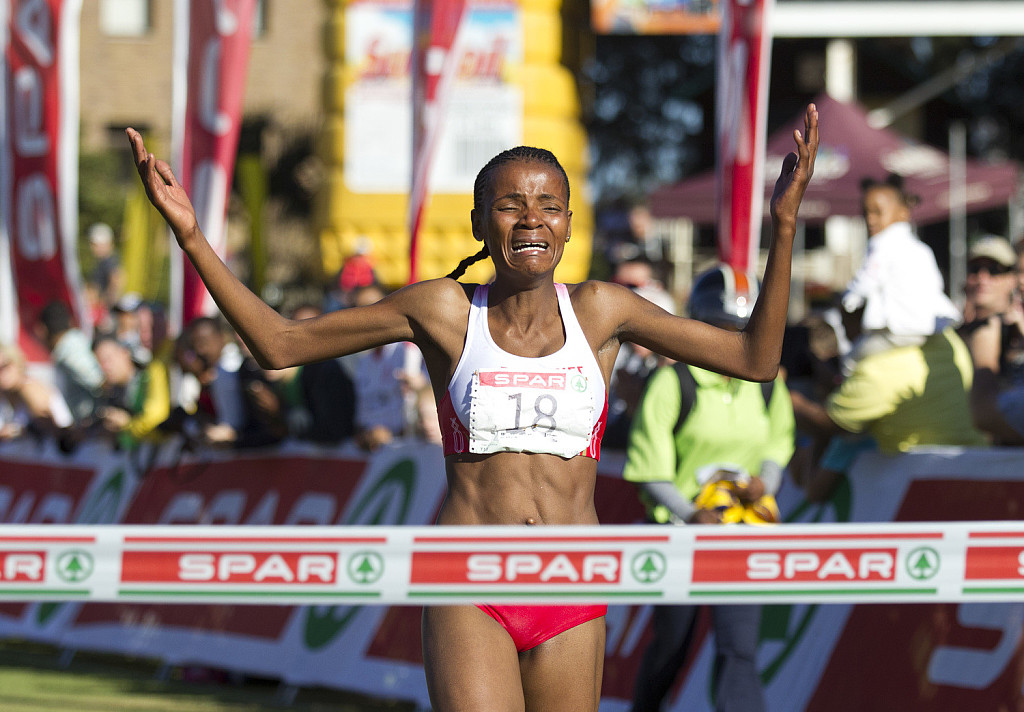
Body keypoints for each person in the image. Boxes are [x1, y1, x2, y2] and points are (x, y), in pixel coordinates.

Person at [127, 103, 817, 711]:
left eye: (549, 205)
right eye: (511, 204)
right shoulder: (443, 310)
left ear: (569, 226)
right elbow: (279, 345)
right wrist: (191, 237)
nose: (532, 218)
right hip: (469, 577)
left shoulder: (605, 311)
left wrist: (783, 226)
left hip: (571, 580)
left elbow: (755, 360)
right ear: (481, 223)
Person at [624, 265, 795, 712]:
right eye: (721, 329)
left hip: (741, 534)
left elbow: (779, 441)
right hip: (679, 535)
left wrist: (766, 482)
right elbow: (649, 467)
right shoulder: (672, 383)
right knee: (671, 648)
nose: (732, 341)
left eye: (742, 330)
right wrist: (690, 514)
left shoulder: (766, 384)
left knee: (739, 650)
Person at [839, 174, 960, 370]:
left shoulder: (882, 243)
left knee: (850, 361)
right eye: (866, 213)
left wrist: (847, 298)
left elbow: (866, 281)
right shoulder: (922, 249)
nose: (870, 219)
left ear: (903, 213)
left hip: (898, 331)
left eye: (878, 212)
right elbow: (937, 285)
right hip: (929, 328)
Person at [93, 335, 170, 447]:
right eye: (99, 363)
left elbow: (158, 423)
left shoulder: (151, 375)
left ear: (125, 353)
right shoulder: (108, 394)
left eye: (108, 359)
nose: (105, 367)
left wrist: (126, 425)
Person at [35, 301, 104, 422]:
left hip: (93, 422)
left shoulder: (68, 349)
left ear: (43, 330)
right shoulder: (71, 344)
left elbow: (98, 381)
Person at [0, 342, 73, 441]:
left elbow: (52, 428)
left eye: (4, 366)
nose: (2, 374)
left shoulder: (30, 388)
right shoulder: (5, 396)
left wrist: (22, 430)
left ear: (17, 362)